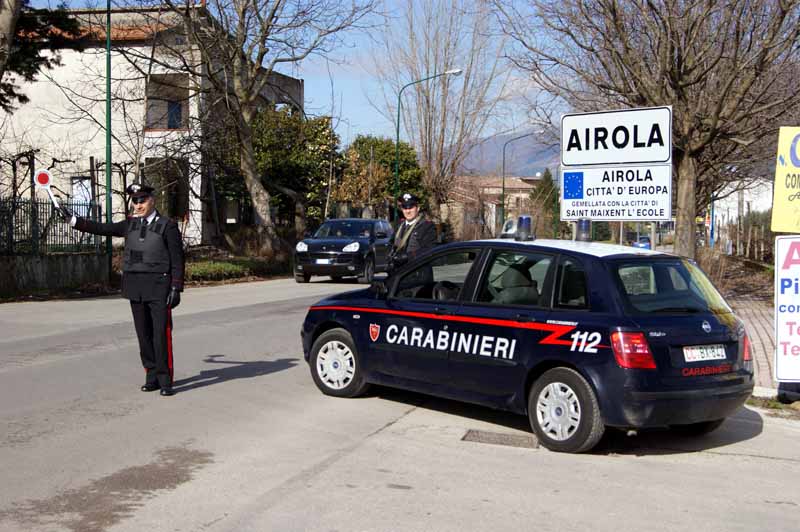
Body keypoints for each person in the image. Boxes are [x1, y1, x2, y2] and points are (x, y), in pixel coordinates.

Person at [58, 184, 184, 396]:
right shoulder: (130, 225)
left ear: (152, 200)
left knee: (160, 335)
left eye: (142, 200)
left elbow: (177, 258)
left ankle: (165, 380)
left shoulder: (167, 225)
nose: (138, 205)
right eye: (134, 201)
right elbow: (103, 228)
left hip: (159, 286)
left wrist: (176, 286)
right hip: (135, 286)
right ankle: (151, 376)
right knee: (143, 336)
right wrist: (74, 221)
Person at [388, 192, 437, 273]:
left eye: (411, 207)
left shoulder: (427, 226)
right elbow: (392, 244)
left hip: (418, 272)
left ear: (418, 208)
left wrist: (407, 256)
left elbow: (430, 250)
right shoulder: (399, 226)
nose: (408, 211)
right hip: (400, 273)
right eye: (405, 208)